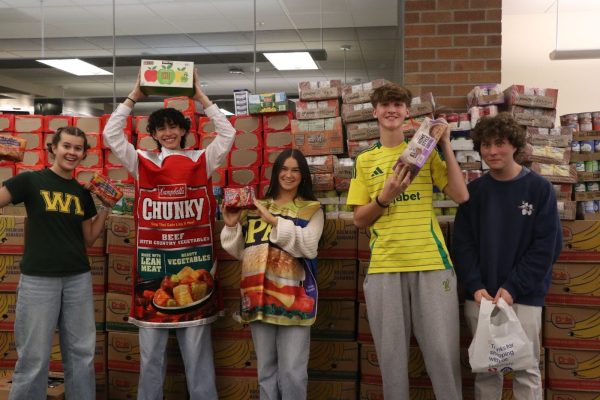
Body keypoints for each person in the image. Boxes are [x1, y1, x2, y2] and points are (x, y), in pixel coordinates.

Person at [103, 68, 236, 400]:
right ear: (153, 133)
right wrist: (134, 95)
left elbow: (228, 133)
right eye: (161, 128)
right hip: (150, 269)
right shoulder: (141, 161)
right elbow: (111, 134)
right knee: (150, 357)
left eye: (173, 126)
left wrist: (200, 96)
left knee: (198, 357)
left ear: (184, 130)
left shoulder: (202, 159)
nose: (167, 132)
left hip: (197, 266)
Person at [346, 83, 469, 399]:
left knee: (443, 356)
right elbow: (359, 219)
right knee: (392, 360)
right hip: (385, 267)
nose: (392, 110)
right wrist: (384, 198)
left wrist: (447, 147)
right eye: (385, 105)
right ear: (375, 112)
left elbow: (461, 195)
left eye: (398, 105)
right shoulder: (365, 160)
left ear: (406, 112)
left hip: (432, 263)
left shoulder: (424, 152)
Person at [452, 113, 562, 400]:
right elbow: (462, 245)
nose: (492, 151)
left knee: (526, 370)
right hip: (481, 297)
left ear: (514, 144)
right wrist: (475, 286)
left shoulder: (540, 190)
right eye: (485, 145)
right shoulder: (472, 193)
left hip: (524, 296)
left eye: (499, 143)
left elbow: (546, 247)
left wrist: (513, 288)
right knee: (487, 372)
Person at [0, 127, 113, 400]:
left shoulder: (82, 193)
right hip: (39, 279)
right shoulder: (29, 181)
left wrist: (106, 207)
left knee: (82, 355)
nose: (72, 153)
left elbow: (88, 238)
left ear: (84, 154)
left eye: (78, 149)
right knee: (34, 357)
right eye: (67, 146)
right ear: (53, 148)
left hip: (78, 279)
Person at [220, 149, 324, 400]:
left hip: (295, 298)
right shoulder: (256, 206)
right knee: (265, 370)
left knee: (292, 372)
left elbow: (309, 246)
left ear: (303, 176)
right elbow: (241, 252)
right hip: (257, 296)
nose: (288, 175)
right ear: (276, 172)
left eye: (295, 170)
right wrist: (232, 224)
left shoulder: (311, 209)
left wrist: (276, 222)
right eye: (284, 169)